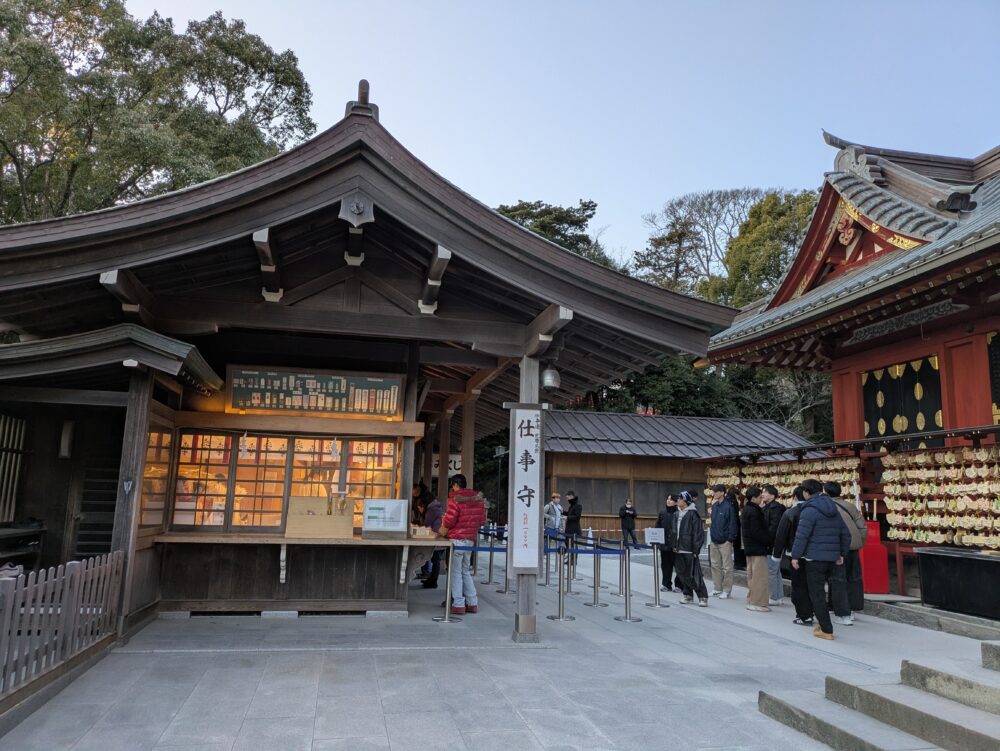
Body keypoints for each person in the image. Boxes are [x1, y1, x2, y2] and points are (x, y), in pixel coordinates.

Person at [791, 478, 851, 640]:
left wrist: (795, 556)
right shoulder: (833, 508)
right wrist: (841, 554)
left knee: (816, 594)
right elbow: (846, 534)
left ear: (805, 492)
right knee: (831, 588)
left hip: (814, 558)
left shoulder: (809, 510)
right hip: (832, 558)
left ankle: (826, 629)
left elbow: (802, 536)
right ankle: (829, 623)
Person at [438, 474, 486, 615]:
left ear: (455, 485)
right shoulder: (477, 499)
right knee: (465, 571)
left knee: (456, 572)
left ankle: (458, 604)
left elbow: (449, 522)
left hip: (457, 539)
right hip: (470, 540)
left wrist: (444, 522)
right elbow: (482, 520)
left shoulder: (455, 499)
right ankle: (472, 602)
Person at [826, 480, 868, 621]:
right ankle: (852, 607)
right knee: (853, 577)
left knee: (837, 578)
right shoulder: (850, 506)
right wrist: (859, 543)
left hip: (836, 547)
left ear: (825, 493)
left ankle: (839, 608)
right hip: (853, 546)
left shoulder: (827, 507)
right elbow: (862, 527)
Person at [772, 485, 813, 626]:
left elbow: (781, 535)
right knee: (812, 584)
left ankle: (804, 615)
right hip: (814, 554)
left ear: (794, 497)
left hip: (794, 553)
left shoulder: (790, 512)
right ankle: (813, 611)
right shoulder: (814, 510)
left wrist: (777, 554)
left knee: (799, 585)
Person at [674, 491, 708, 606]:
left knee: (694, 574)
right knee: (682, 574)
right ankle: (687, 595)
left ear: (686, 501)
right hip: (678, 548)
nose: (677, 500)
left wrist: (696, 549)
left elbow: (698, 533)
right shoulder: (676, 514)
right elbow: (673, 532)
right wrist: (673, 545)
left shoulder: (693, 514)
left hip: (689, 549)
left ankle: (702, 596)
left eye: (680, 499)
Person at [740, 487, 771, 612]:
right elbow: (757, 531)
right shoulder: (754, 511)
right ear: (753, 498)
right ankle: (757, 602)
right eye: (760, 497)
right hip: (757, 548)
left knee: (752, 575)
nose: (761, 499)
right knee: (760, 577)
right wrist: (769, 541)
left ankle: (752, 599)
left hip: (750, 547)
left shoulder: (746, 510)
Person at [708, 484, 738, 599]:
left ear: (722, 493)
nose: (713, 494)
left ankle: (726, 590)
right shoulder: (715, 506)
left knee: (727, 567)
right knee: (715, 565)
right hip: (714, 539)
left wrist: (730, 538)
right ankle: (717, 588)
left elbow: (732, 523)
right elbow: (713, 522)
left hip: (725, 541)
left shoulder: (729, 506)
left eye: (715, 492)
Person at [761, 484, 785, 606]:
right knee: (775, 571)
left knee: (771, 570)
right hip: (771, 544)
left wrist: (765, 540)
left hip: (774, 544)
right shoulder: (767, 507)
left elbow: (774, 528)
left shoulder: (776, 508)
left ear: (772, 495)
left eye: (765, 492)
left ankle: (774, 596)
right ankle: (779, 596)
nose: (762, 494)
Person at [656, 495, 680, 592]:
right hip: (664, 544)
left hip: (676, 545)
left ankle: (679, 585)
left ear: (676, 502)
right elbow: (658, 526)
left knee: (678, 566)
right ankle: (666, 584)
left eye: (671, 499)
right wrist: (657, 542)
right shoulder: (662, 513)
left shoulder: (679, 513)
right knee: (665, 565)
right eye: (668, 499)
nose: (668, 501)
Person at [421, 493, 444, 589]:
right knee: (436, 561)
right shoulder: (436, 506)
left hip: (436, 536)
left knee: (435, 560)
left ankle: (433, 581)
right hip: (439, 536)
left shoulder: (432, 509)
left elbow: (427, 523)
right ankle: (432, 580)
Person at [564, 491, 582, 566]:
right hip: (569, 528)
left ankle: (574, 560)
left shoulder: (578, 505)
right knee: (568, 543)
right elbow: (569, 513)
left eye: (568, 498)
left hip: (574, 528)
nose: (567, 499)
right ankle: (570, 559)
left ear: (571, 496)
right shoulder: (572, 505)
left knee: (573, 544)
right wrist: (563, 512)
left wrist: (567, 517)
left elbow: (577, 517)